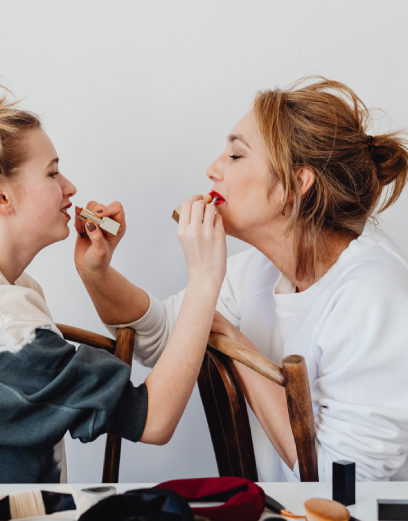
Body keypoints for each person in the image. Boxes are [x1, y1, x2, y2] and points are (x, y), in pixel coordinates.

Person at [0, 61, 226, 483]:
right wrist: (204, 279)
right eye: (52, 172)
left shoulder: (1, 291)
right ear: (0, 197)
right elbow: (153, 419)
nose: (70, 188)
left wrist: (94, 270)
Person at [75, 77, 408, 482]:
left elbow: (346, 485)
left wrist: (238, 348)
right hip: (279, 516)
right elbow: (163, 340)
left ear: (293, 186)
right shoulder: (257, 271)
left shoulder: (372, 293)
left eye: (235, 155)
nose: (212, 169)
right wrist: (96, 271)